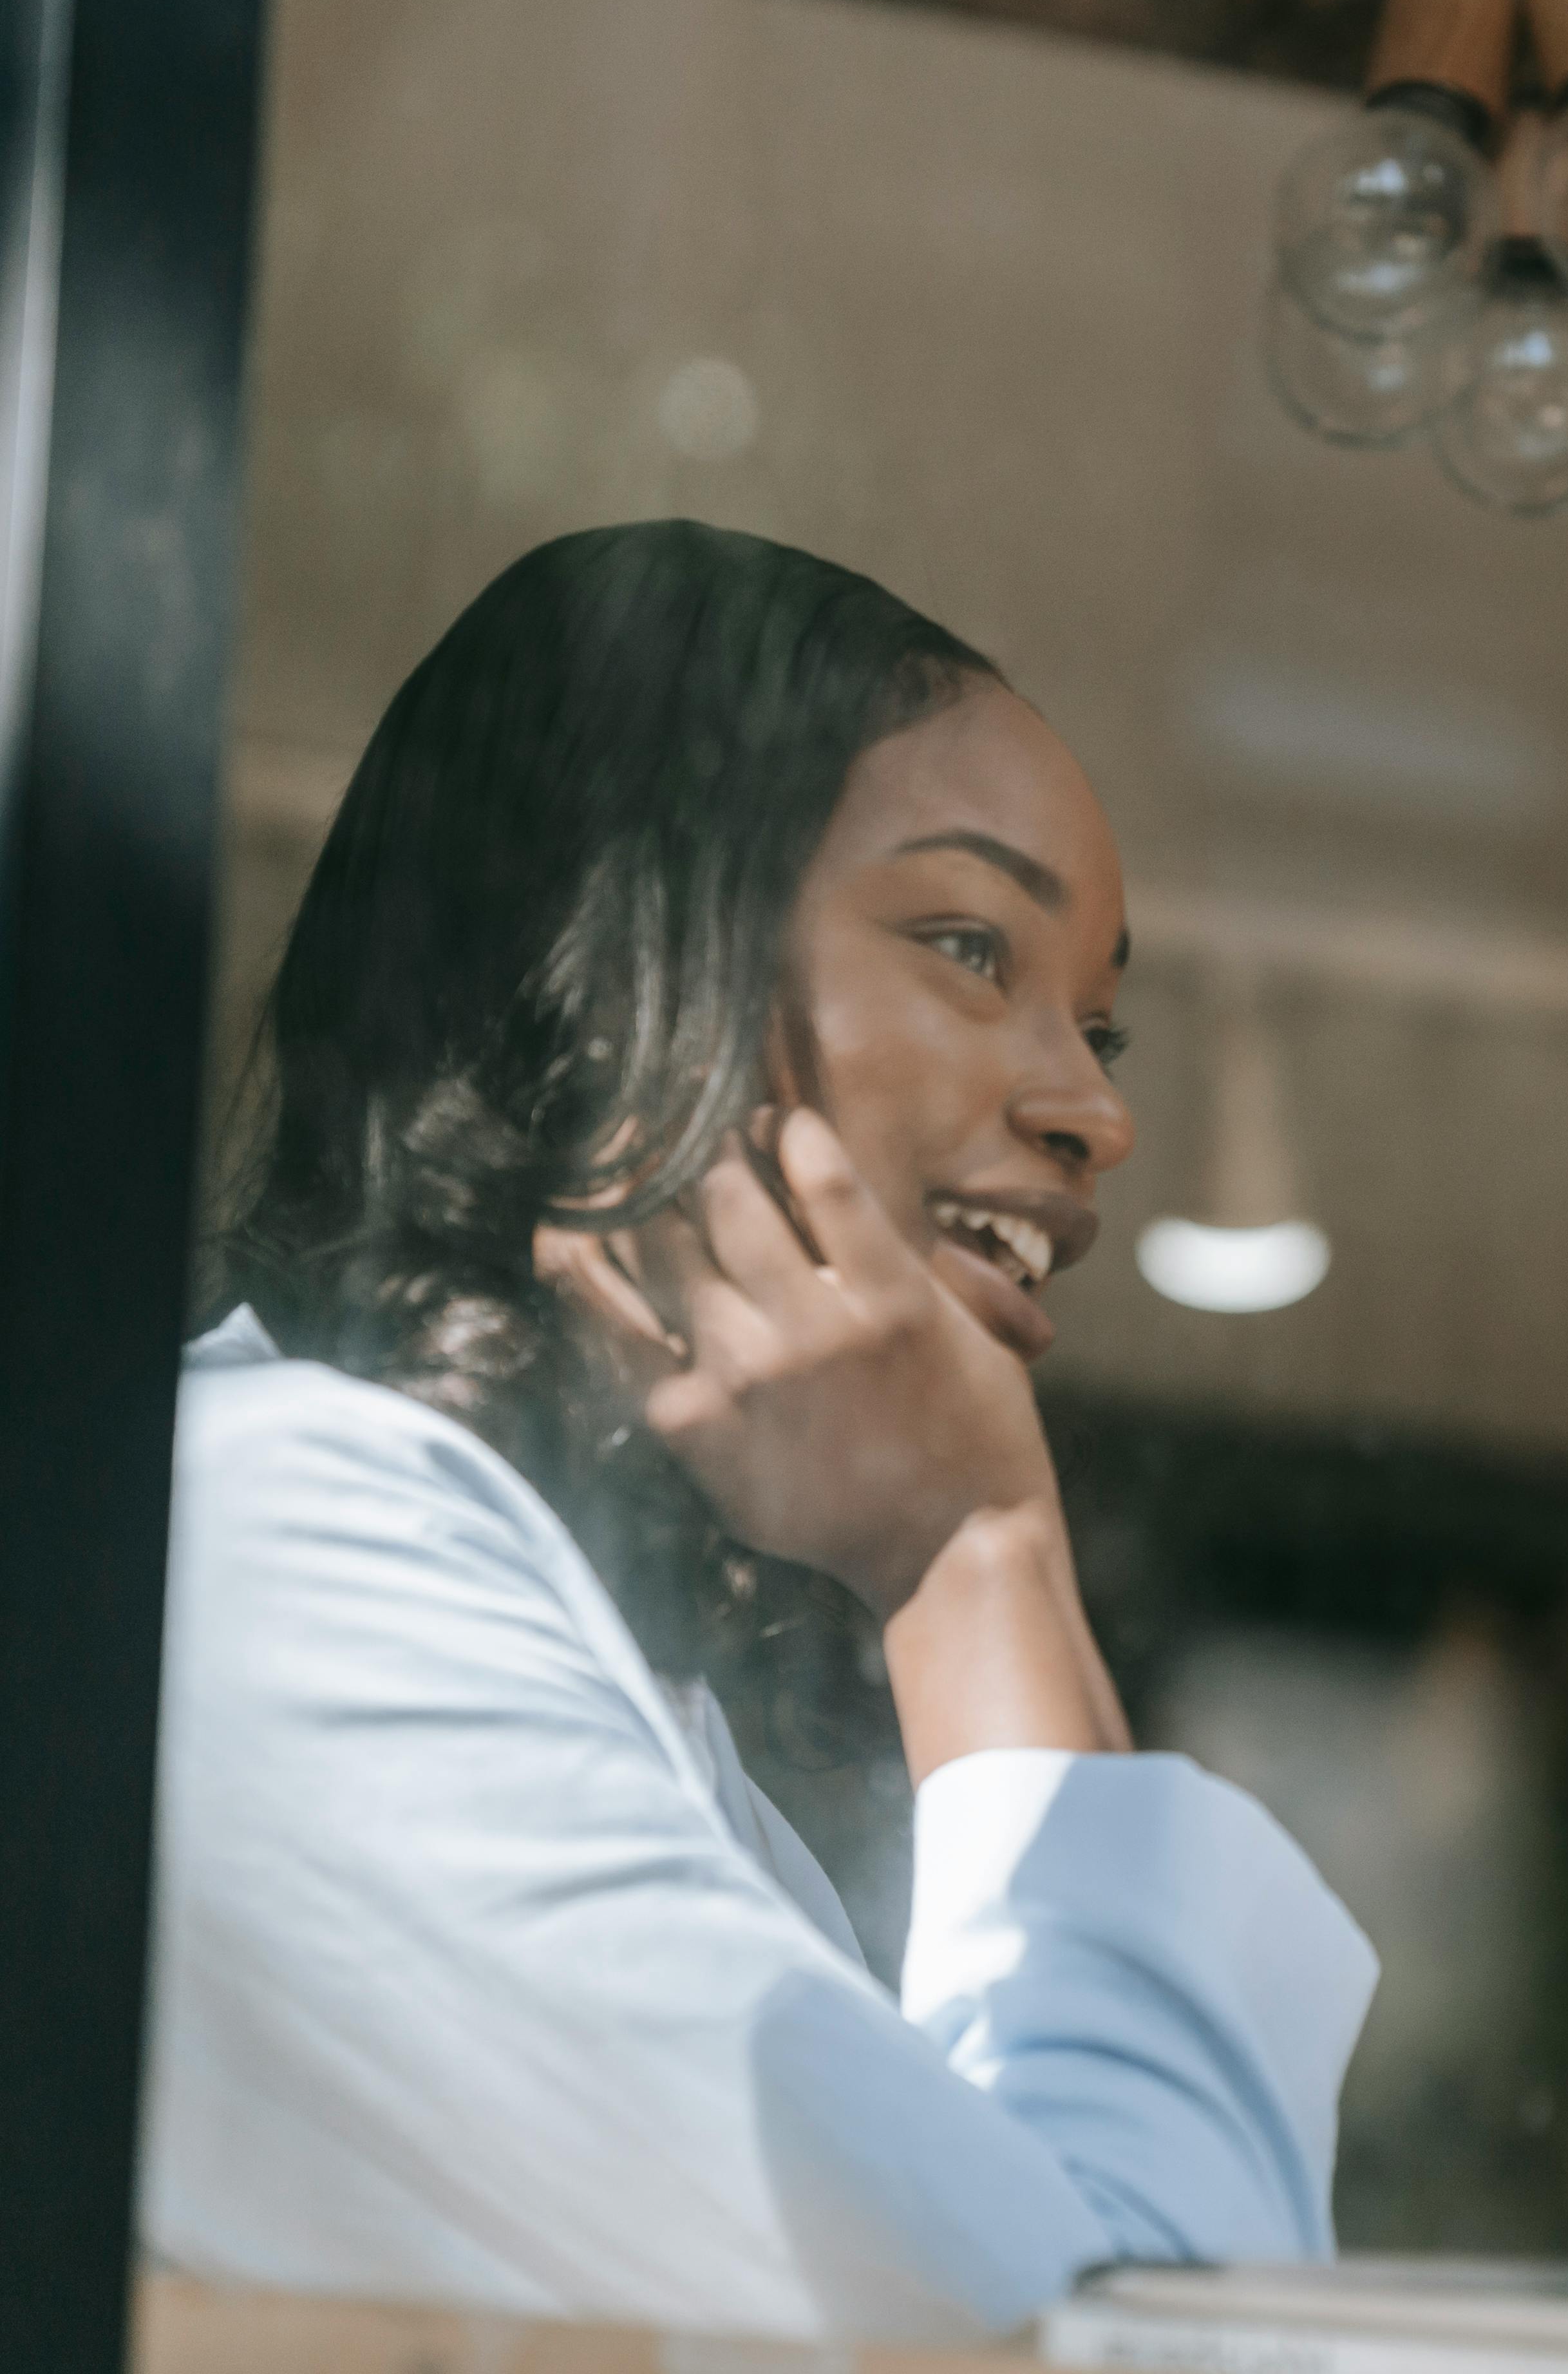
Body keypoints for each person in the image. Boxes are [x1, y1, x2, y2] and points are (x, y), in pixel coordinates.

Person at [142, 523, 1375, 2344]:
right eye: (972, 945)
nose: (1095, 1112)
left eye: (1103, 1028)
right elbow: (1144, 2352)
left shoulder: (643, 1716)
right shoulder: (284, 1556)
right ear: (615, 956)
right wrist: (979, 1563)